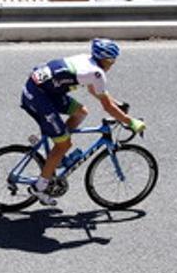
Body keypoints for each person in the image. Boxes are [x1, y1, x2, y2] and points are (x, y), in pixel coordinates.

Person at [21, 38, 144, 205]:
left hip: (42, 90)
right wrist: (131, 122)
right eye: (111, 60)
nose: (113, 64)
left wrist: (117, 105)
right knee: (64, 144)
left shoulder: (88, 60)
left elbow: (95, 90)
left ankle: (55, 146)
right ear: (104, 59)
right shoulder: (97, 73)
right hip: (39, 97)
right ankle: (39, 187)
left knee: (81, 112)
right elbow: (106, 107)